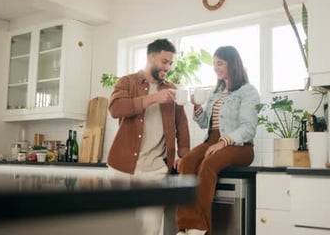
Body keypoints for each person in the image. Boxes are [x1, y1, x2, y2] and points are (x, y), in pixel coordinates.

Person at [106, 38, 191, 235]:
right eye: (164, 61)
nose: (167, 67)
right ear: (151, 57)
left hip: (155, 170)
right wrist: (152, 99)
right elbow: (115, 108)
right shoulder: (127, 82)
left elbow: (182, 124)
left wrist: (184, 154)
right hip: (122, 167)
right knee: (119, 228)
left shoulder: (173, 89)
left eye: (170, 63)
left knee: (150, 230)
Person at [175, 46, 260, 235]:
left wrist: (224, 142)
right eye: (214, 64)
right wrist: (197, 107)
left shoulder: (248, 91)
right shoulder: (216, 92)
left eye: (219, 63)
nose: (215, 68)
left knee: (208, 164)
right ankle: (185, 226)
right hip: (212, 140)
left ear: (233, 64)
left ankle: (200, 228)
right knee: (187, 162)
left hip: (240, 146)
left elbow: (248, 128)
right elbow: (205, 122)